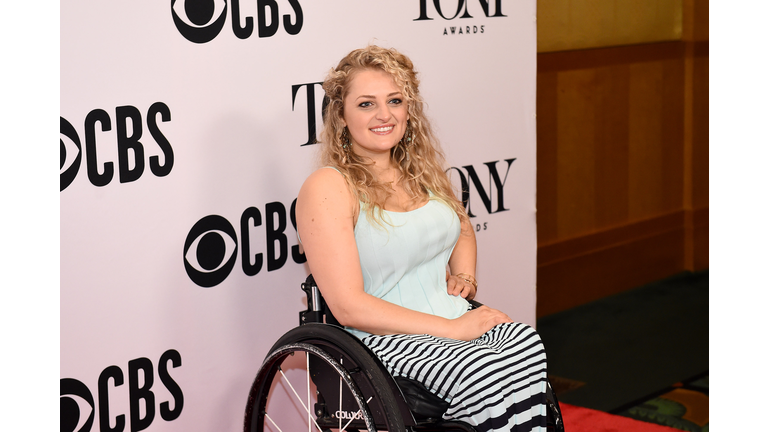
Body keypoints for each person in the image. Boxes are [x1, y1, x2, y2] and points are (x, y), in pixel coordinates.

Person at [296, 45, 548, 432]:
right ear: (341, 117)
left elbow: (461, 227)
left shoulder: (419, 172)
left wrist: (465, 276)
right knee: (483, 373)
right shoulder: (329, 187)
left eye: (395, 100)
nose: (384, 115)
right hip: (381, 338)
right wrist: (452, 330)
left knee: (526, 344)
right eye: (366, 104)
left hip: (449, 317)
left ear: (408, 109)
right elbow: (348, 307)